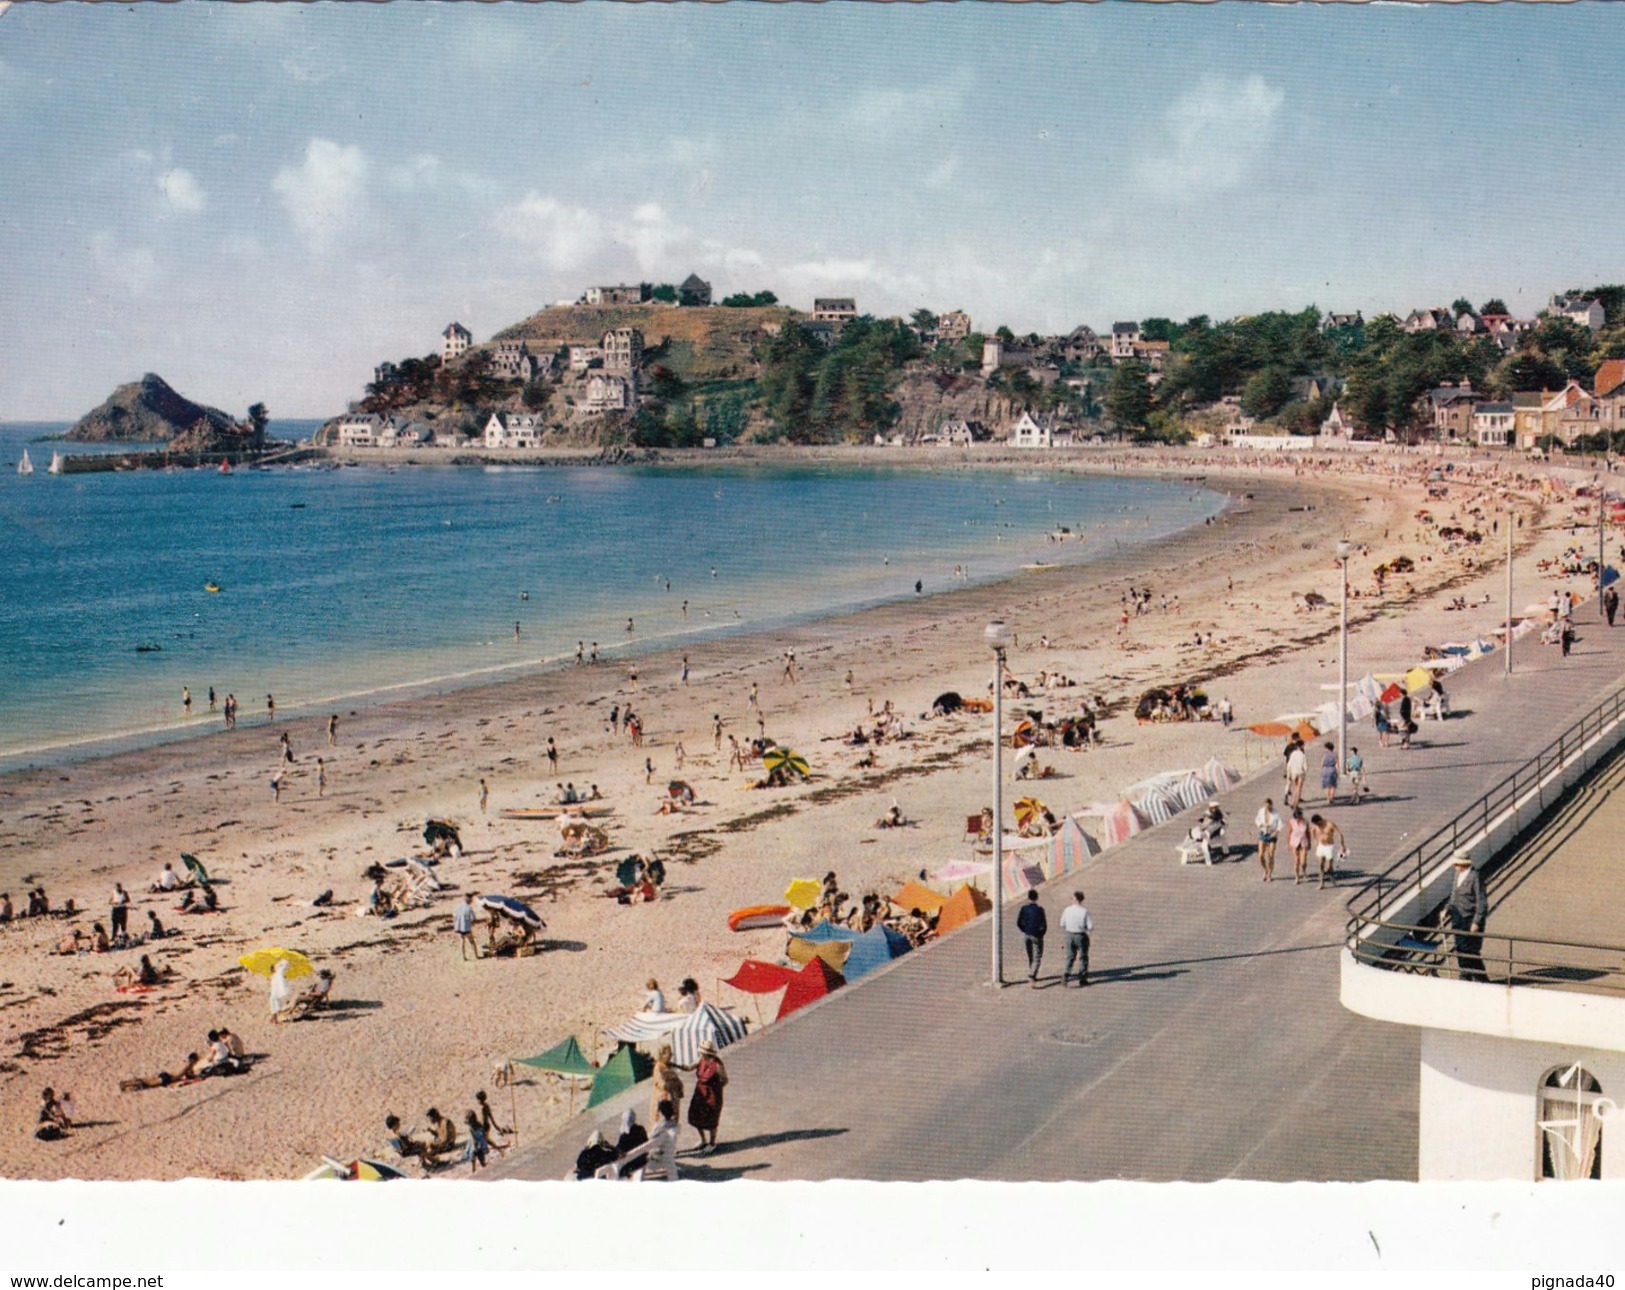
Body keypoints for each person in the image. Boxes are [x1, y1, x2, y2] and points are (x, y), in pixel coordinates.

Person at [1442, 850, 1489, 982]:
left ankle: (1481, 978)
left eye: (1456, 864)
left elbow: (1482, 902)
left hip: (1470, 918)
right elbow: (1453, 896)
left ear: (1463, 864)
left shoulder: (1475, 876)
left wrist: (1477, 922)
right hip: (1458, 917)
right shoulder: (1457, 875)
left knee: (1470, 951)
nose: (1454, 867)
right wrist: (1446, 909)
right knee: (1460, 948)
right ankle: (1465, 974)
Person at [685, 1042, 728, 1154]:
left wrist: (715, 1088)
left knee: (711, 1118)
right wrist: (674, 1065)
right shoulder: (701, 1060)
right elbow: (689, 1067)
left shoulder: (717, 1065)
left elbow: (725, 1080)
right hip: (700, 1093)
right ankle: (703, 1140)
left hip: (712, 1094)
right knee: (696, 1115)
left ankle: (712, 1142)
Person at [1059, 891, 1094, 987]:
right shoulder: (1084, 911)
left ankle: (1066, 975)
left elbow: (1062, 924)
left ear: (1075, 899)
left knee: (1070, 957)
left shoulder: (1067, 910)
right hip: (1081, 936)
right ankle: (1082, 978)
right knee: (1083, 957)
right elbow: (1090, 926)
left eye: (1072, 898)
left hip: (1069, 935)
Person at [644, 1099, 680, 1181]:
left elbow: (648, 1139)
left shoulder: (658, 1127)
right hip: (669, 1156)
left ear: (661, 1112)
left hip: (657, 1159)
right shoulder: (675, 1125)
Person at [1016, 889, 1047, 984]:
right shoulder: (1040, 910)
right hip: (1036, 935)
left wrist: (1024, 930)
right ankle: (1032, 975)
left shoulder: (1024, 909)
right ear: (1037, 898)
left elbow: (1019, 922)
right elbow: (1044, 925)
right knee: (1037, 956)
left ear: (1028, 897)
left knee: (1030, 955)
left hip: (1027, 935)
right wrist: (1041, 934)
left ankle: (1031, 970)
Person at [1308, 814, 1346, 889]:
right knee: (1321, 865)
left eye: (1318, 824)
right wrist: (1316, 842)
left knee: (1329, 865)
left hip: (1329, 846)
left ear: (1320, 821)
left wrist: (1342, 845)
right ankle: (1321, 883)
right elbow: (1312, 832)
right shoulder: (1315, 826)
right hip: (1321, 846)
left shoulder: (1329, 824)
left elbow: (1339, 834)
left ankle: (1331, 876)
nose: (1317, 826)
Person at [650, 1045, 685, 1124]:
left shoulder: (669, 1065)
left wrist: (679, 1088)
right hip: (664, 1097)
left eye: (671, 1055)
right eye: (668, 1055)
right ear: (662, 1055)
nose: (670, 1057)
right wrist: (671, 1085)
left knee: (673, 1121)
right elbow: (659, 1082)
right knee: (661, 1121)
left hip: (673, 1097)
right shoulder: (658, 1067)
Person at [1255, 798, 1281, 881]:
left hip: (1272, 834)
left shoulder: (1276, 813)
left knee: (1271, 854)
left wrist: (1276, 832)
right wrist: (1260, 825)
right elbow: (1257, 819)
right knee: (1261, 855)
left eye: (1269, 807)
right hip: (1263, 832)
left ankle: (1269, 874)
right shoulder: (1261, 811)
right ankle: (1265, 870)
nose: (1268, 808)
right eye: (1266, 807)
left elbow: (1280, 824)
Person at [454, 892, 480, 961]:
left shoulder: (458, 907)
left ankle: (463, 957)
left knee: (462, 942)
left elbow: (455, 916)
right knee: (472, 941)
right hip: (466, 928)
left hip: (459, 928)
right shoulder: (469, 908)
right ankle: (476, 956)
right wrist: (471, 923)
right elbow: (473, 918)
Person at [1287, 807, 1310, 885]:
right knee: (1296, 861)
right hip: (1295, 841)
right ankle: (1297, 877)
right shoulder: (1292, 822)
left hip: (1303, 841)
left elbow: (1308, 833)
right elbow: (1289, 832)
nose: (1298, 819)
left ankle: (1304, 872)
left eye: (1299, 817)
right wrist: (1288, 843)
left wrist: (1309, 842)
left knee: (1303, 861)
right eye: (1296, 817)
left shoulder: (1305, 822)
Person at [1284, 737, 1307, 807]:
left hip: (1293, 772)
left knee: (1295, 787)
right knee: (1299, 787)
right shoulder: (1302, 755)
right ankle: (1296, 803)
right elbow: (1305, 766)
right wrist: (1304, 771)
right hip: (1300, 772)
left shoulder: (1293, 754)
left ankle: (1293, 801)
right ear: (1301, 746)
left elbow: (1289, 764)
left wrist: (1289, 773)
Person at [1319, 741, 1339, 806]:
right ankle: (1331, 798)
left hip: (1325, 770)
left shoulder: (1324, 755)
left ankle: (1328, 799)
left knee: (1326, 786)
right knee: (1332, 785)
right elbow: (1337, 764)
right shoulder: (1335, 754)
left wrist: (1321, 770)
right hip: (1332, 769)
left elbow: (1322, 764)